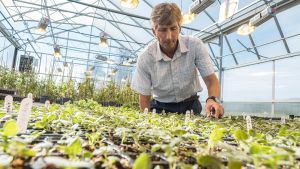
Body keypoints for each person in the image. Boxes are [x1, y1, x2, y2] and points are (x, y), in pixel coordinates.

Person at [131, 3, 224, 118]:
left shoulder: (194, 46)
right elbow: (144, 98)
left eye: (173, 28)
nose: (169, 36)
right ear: (154, 31)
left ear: (180, 28)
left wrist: (211, 99)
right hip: (161, 107)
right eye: (163, 30)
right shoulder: (146, 58)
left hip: (191, 105)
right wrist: (147, 121)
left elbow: (211, 80)